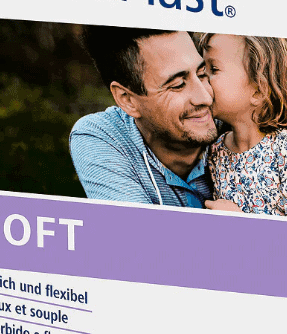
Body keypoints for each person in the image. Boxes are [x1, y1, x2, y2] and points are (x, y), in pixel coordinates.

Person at [70, 27, 217, 207]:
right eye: (178, 85)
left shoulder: (234, 119)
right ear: (127, 100)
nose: (205, 97)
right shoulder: (102, 135)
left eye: (202, 74)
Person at [201, 33, 287, 219]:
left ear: (258, 91)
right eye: (203, 68)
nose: (202, 78)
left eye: (213, 69)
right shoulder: (215, 151)